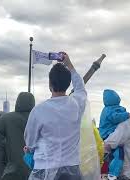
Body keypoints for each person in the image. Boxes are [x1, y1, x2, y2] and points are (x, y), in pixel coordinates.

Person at [24, 52, 87, 180]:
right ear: (68, 83)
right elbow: (80, 87)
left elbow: (30, 141)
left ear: (49, 85)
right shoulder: (77, 104)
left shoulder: (38, 111)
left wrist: (28, 151)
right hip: (72, 170)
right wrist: (69, 64)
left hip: (44, 170)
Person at [99, 89, 130, 180]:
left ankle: (112, 174)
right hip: (109, 134)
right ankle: (113, 173)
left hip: (109, 135)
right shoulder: (109, 111)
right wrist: (127, 115)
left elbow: (108, 144)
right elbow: (115, 117)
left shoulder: (108, 110)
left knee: (117, 153)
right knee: (119, 154)